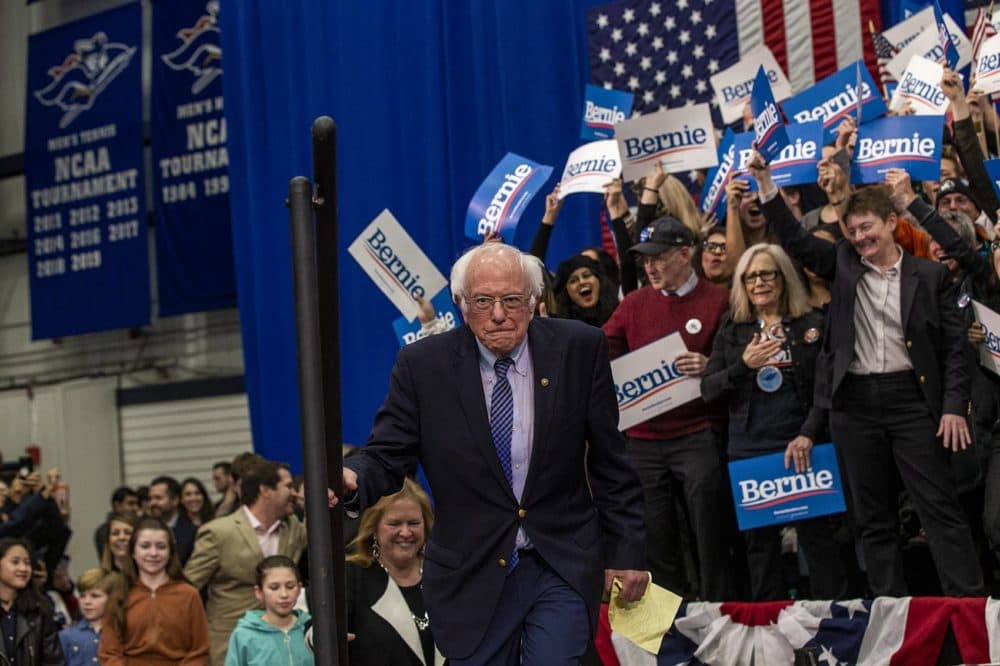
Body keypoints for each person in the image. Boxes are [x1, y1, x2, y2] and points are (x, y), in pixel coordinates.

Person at [338, 242, 647, 665]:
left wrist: (626, 553)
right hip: (471, 572)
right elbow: (388, 453)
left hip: (559, 559)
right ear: (462, 305)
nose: (499, 314)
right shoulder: (422, 365)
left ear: (535, 301)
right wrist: (353, 476)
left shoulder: (579, 348)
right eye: (483, 301)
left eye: (512, 300)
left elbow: (612, 461)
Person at [750, 151, 987, 597]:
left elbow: (955, 351)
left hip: (912, 403)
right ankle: (890, 624)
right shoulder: (841, 262)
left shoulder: (931, 275)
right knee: (873, 521)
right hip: (854, 407)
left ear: (892, 224)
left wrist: (954, 407)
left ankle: (970, 612)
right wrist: (766, 186)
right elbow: (795, 242)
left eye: (867, 228)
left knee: (940, 511)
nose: (859, 238)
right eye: (852, 230)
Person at [701, 244, 847, 600]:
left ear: (784, 278)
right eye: (750, 276)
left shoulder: (812, 324)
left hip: (804, 444)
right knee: (760, 549)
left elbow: (826, 391)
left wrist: (808, 434)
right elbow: (709, 390)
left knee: (820, 542)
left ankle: (836, 629)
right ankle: (772, 636)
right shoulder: (733, 329)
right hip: (750, 449)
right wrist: (744, 365)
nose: (759, 282)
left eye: (767, 273)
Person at [602, 215, 733, 601]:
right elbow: (600, 348)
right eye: (645, 260)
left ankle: (718, 612)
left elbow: (736, 363)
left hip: (698, 433)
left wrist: (713, 365)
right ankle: (668, 629)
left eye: (658, 257)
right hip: (644, 440)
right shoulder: (634, 304)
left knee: (709, 529)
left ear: (685, 254)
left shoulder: (719, 300)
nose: (650, 267)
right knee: (655, 534)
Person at [185, 460, 307, 666]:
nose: (294, 493)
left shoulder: (292, 527)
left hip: (280, 642)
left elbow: (325, 537)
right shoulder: (219, 532)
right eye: (288, 486)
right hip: (231, 641)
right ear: (266, 490)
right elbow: (187, 587)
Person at [346, 479, 443, 666]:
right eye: (394, 524)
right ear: (374, 528)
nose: (405, 532)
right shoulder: (352, 576)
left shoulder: (445, 575)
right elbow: (319, 630)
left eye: (414, 523)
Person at [99, 516, 209, 664]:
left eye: (161, 546)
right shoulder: (119, 593)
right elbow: (109, 652)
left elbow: (199, 650)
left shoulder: (189, 595)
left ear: (170, 552)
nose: (153, 553)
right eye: (145, 546)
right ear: (133, 551)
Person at [225, 556, 313, 666]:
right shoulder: (244, 635)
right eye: (274, 588)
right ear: (259, 592)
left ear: (299, 588)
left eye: (290, 586)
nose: (284, 594)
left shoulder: (312, 629)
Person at [0, 538, 63, 664]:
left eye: (27, 563)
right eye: (15, 562)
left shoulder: (40, 609)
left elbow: (53, 661)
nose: (23, 568)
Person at [59, 568, 119, 666]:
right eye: (82, 596)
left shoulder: (123, 633)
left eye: (95, 596)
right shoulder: (66, 636)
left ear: (112, 598)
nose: (87, 602)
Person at [552, 254, 619, 326]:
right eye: (573, 281)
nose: (582, 282)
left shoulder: (620, 313)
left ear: (599, 280)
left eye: (587, 275)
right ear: (566, 292)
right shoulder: (561, 326)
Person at [147, 476, 198, 565]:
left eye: (158, 498)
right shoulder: (143, 528)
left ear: (175, 500)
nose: (153, 503)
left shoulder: (192, 531)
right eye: (150, 498)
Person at [94, 486, 139, 560]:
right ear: (117, 505)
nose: (136, 508)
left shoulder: (139, 526)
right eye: (131, 504)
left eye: (137, 504)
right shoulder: (104, 531)